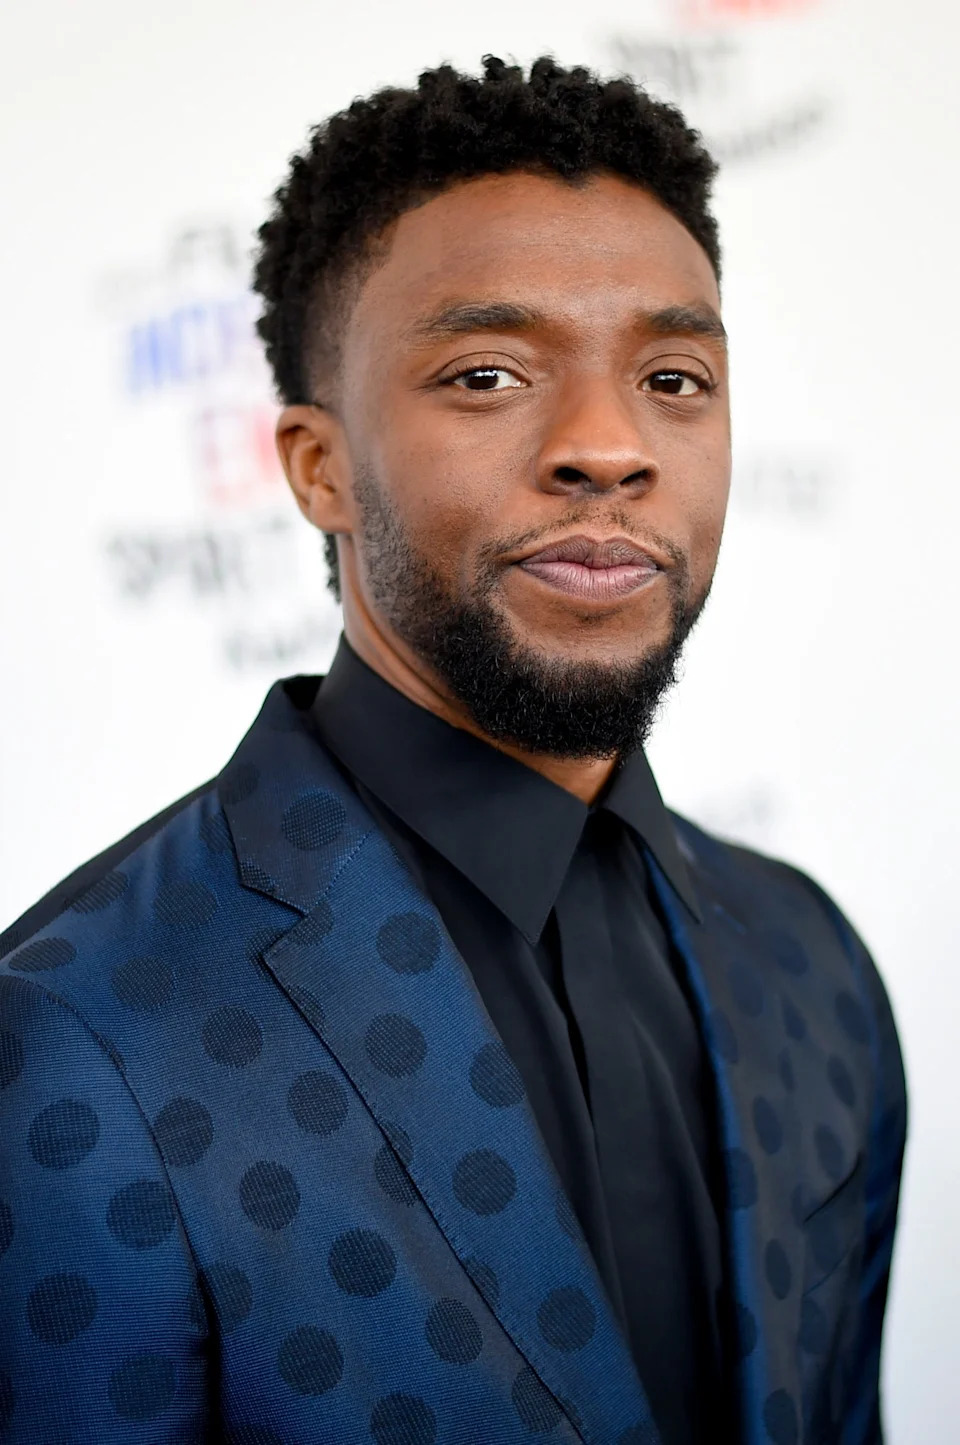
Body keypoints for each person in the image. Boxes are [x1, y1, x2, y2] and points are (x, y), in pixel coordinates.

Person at [0, 56, 905, 1445]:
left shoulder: (813, 964)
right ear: (318, 466)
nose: (609, 446)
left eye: (674, 376)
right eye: (486, 373)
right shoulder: (78, 1040)